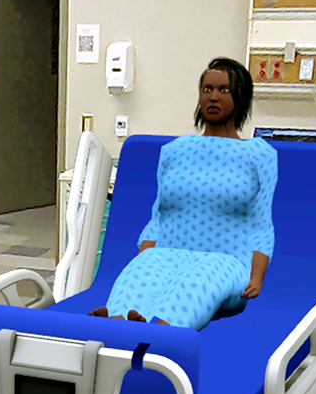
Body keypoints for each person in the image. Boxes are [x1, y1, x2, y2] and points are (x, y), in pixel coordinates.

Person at [93, 56, 276, 328]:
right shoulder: (174, 152)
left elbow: (263, 224)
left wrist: (257, 276)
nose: (213, 97)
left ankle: (163, 332)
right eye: (207, 89)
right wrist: (145, 257)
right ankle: (118, 322)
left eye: (223, 90)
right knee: (143, 272)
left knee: (199, 277)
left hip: (227, 261)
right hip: (167, 254)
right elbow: (159, 216)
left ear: (241, 96)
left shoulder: (259, 155)